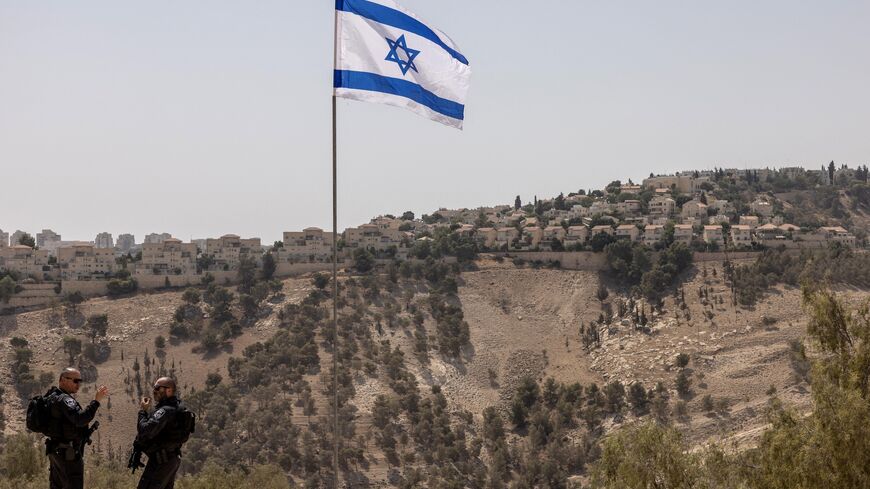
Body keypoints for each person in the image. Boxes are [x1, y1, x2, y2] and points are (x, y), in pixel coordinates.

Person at [45, 367, 109, 489]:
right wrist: (96, 401)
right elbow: (80, 419)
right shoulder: (64, 399)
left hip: (57, 451)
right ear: (63, 380)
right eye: (75, 381)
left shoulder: (52, 396)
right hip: (68, 455)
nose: (78, 384)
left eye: (80, 381)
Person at [135, 377, 193, 489]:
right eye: (154, 388)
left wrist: (143, 411)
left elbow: (145, 431)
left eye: (158, 388)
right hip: (171, 460)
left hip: (161, 462)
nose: (154, 391)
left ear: (169, 390)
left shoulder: (165, 410)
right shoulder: (176, 408)